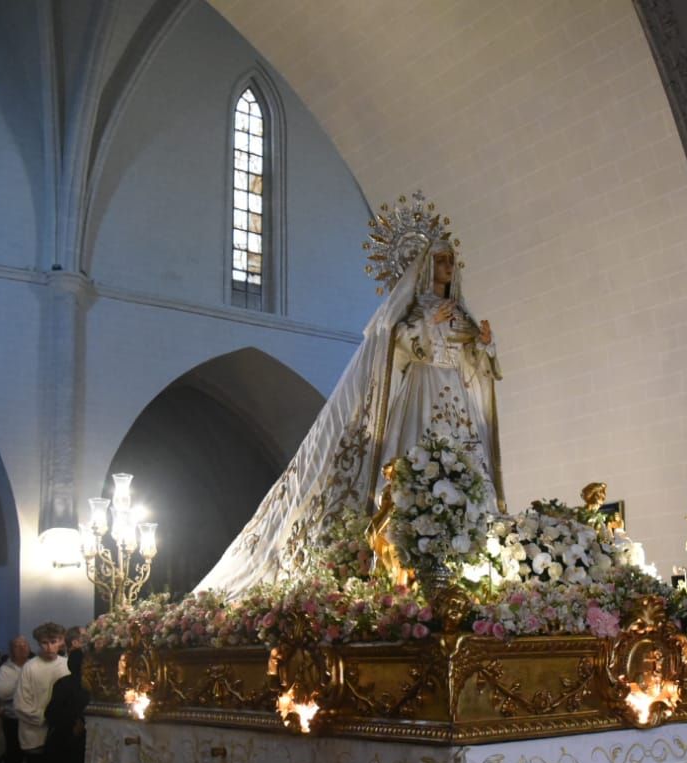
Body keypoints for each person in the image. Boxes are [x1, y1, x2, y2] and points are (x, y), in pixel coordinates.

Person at [196, 225, 503, 596]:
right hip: (423, 388)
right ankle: (406, 556)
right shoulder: (418, 310)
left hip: (456, 396)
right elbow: (399, 346)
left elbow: (476, 364)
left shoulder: (463, 315)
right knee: (415, 460)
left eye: (451, 261)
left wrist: (485, 344)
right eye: (441, 261)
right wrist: (427, 324)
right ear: (425, 268)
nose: (448, 267)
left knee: (466, 467)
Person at [15, 622, 71, 763]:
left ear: (61, 641)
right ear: (39, 644)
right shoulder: (30, 667)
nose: (50, 647)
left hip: (59, 738)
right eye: (45, 643)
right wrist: (46, 718)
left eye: (54, 642)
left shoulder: (66, 666)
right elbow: (21, 704)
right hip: (36, 736)